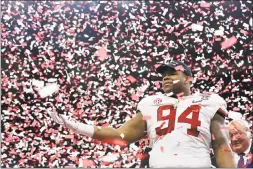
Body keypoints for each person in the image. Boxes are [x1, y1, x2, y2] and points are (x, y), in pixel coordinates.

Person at [49, 60, 236, 168]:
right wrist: (75, 125)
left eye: (172, 73)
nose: (165, 77)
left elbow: (221, 144)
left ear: (187, 79)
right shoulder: (151, 103)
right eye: (163, 74)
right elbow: (121, 136)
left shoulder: (210, 101)